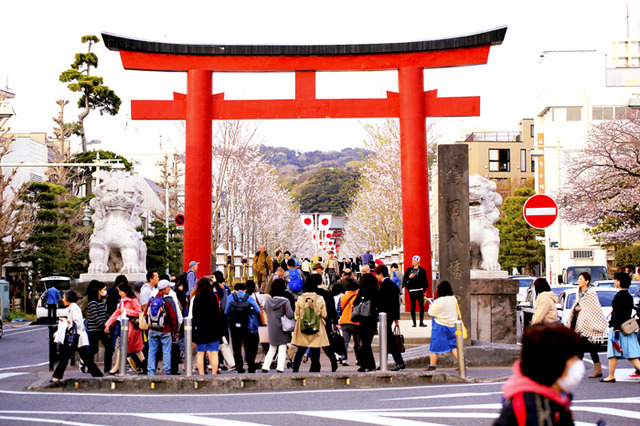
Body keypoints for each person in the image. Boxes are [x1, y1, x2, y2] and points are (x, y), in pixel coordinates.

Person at [494, 324, 583, 425]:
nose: (578, 365)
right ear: (556, 364)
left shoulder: (550, 395)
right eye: (573, 360)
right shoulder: (535, 411)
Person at [51, 291, 103, 382]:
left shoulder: (74, 308)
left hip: (76, 337)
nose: (62, 299)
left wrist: (67, 321)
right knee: (85, 358)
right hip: (77, 337)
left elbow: (77, 323)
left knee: (65, 357)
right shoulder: (72, 308)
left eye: (64, 297)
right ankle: (98, 375)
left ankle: (57, 376)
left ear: (68, 298)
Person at [565, 272, 608, 378]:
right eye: (578, 279)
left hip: (590, 325)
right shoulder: (578, 292)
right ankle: (596, 370)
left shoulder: (591, 293)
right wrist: (576, 309)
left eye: (580, 279)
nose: (578, 281)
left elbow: (594, 309)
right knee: (585, 348)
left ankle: (585, 371)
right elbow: (578, 304)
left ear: (587, 281)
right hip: (580, 324)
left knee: (584, 348)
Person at [600, 272, 640, 382]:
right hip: (627, 329)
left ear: (620, 282)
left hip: (618, 329)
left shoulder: (619, 296)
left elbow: (617, 314)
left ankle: (611, 376)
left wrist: (615, 329)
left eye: (616, 280)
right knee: (631, 354)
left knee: (612, 353)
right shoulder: (628, 296)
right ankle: (611, 375)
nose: (615, 282)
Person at [104, 282, 145, 375]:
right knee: (137, 349)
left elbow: (138, 312)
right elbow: (116, 313)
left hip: (131, 328)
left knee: (121, 347)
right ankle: (144, 365)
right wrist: (108, 324)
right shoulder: (124, 301)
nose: (119, 293)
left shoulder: (132, 300)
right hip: (130, 327)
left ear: (124, 292)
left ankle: (117, 367)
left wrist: (126, 311)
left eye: (120, 291)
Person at [290, 279, 330, 372]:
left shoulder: (300, 298)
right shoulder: (320, 298)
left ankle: (295, 370)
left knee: (300, 351)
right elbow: (324, 314)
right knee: (315, 350)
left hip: (303, 326)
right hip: (316, 326)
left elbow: (296, 313)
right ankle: (314, 370)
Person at [144, 280, 179, 375]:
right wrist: (175, 331)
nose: (170, 289)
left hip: (152, 329)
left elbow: (145, 313)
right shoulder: (169, 300)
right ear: (166, 288)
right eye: (169, 287)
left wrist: (150, 324)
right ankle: (166, 372)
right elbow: (173, 317)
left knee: (152, 351)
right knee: (166, 351)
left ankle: (151, 371)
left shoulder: (152, 299)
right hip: (165, 330)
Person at [225, 282, 261, 373]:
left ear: (235, 290)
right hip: (246, 324)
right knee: (247, 346)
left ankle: (239, 367)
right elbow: (258, 309)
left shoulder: (231, 297)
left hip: (234, 325)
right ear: (245, 290)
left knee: (236, 346)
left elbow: (226, 311)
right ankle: (250, 366)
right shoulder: (248, 297)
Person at [375, 264, 405, 371]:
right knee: (386, 340)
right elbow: (396, 302)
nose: (376, 277)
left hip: (385, 316)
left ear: (381, 274)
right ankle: (385, 362)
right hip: (390, 315)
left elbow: (383, 301)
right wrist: (396, 317)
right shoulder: (392, 284)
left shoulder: (385, 285)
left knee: (389, 341)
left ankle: (399, 362)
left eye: (377, 274)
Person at [262, 278, 294, 373]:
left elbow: (265, 309)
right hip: (283, 328)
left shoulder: (268, 300)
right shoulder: (285, 301)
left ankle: (265, 366)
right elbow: (290, 314)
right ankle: (280, 368)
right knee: (282, 347)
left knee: (272, 348)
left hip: (272, 327)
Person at [191, 277, 223, 375]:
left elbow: (194, 315)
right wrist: (216, 282)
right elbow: (221, 293)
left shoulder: (197, 297)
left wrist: (193, 332)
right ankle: (214, 373)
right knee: (214, 352)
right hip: (213, 327)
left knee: (201, 353)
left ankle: (201, 374)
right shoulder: (213, 296)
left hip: (201, 328)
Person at [425, 281, 459, 371]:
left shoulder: (439, 301)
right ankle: (462, 364)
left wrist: (431, 305)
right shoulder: (453, 299)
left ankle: (432, 365)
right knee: (453, 346)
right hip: (452, 325)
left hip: (440, 325)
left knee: (434, 346)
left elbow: (430, 312)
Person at [312, 273, 340, 372]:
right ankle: (332, 357)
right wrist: (335, 322)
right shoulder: (328, 294)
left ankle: (315, 364)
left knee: (314, 343)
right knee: (326, 342)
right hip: (326, 321)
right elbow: (332, 309)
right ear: (321, 281)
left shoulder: (312, 294)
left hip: (313, 321)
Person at [353, 273, 378, 372]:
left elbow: (355, 303)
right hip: (372, 320)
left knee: (364, 343)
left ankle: (366, 364)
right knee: (367, 343)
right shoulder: (376, 291)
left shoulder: (362, 291)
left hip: (363, 320)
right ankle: (370, 364)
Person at [86, 281, 112, 373]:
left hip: (100, 328)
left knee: (101, 348)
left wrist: (110, 319)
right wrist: (104, 325)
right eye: (104, 289)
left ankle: (104, 367)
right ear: (98, 290)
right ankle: (88, 365)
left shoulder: (99, 301)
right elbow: (95, 316)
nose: (105, 291)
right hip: (95, 329)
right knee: (95, 348)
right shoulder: (93, 302)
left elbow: (103, 314)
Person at [338, 279, 361, 367]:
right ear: (356, 289)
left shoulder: (343, 297)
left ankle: (344, 358)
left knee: (345, 342)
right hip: (355, 321)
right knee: (357, 342)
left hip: (344, 321)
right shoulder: (356, 297)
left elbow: (339, 309)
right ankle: (358, 359)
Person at [403, 255, 429, 327]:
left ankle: (421, 322)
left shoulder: (422, 270)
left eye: (415, 261)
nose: (413, 262)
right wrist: (409, 277)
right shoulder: (409, 270)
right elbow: (405, 280)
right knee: (413, 306)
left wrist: (425, 290)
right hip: (412, 290)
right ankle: (414, 322)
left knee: (421, 306)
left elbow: (425, 280)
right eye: (412, 261)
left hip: (419, 290)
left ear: (418, 262)